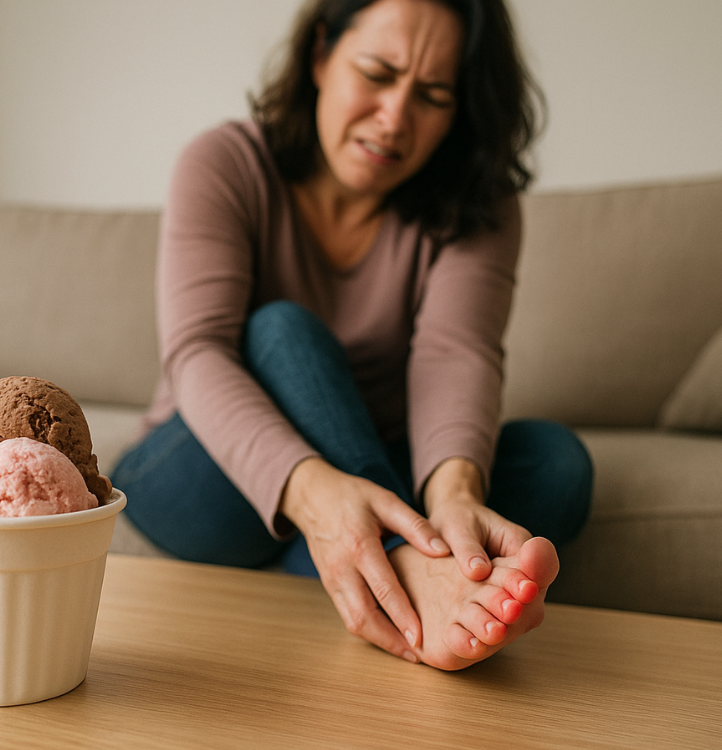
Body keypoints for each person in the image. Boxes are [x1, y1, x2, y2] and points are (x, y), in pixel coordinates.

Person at [112, 0, 592, 670]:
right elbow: (197, 354)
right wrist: (316, 493)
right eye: (376, 73)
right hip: (207, 470)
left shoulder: (477, 204)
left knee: (556, 464)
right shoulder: (224, 162)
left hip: (385, 464)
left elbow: (455, 353)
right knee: (281, 327)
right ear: (319, 56)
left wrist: (452, 496)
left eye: (432, 95)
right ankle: (404, 570)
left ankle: (334, 568)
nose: (394, 119)